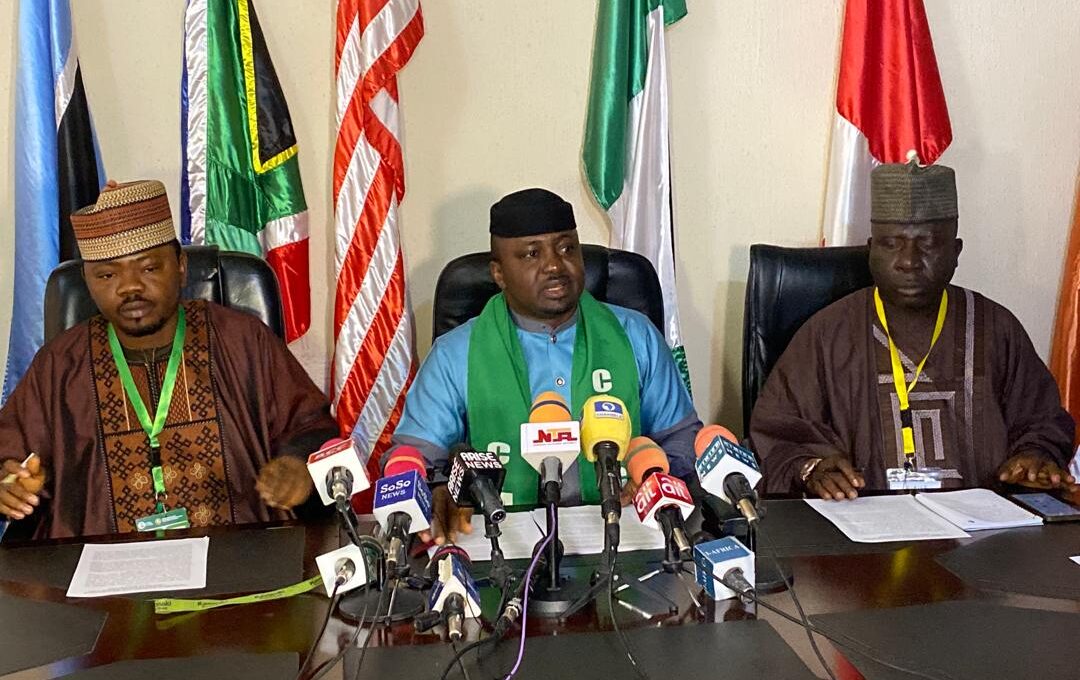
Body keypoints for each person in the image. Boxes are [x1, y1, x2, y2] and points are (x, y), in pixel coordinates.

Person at [0, 180, 338, 538]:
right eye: (107, 274)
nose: (129, 287)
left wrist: (297, 467)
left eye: (148, 268)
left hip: (237, 554)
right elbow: (11, 458)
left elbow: (312, 430)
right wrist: (10, 482)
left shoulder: (242, 340)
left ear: (180, 266)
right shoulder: (60, 364)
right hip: (101, 563)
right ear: (87, 280)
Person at [751, 161, 1078, 500]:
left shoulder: (995, 328)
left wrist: (1034, 456)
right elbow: (779, 434)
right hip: (861, 525)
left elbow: (1042, 422)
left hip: (982, 527)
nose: (908, 261)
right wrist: (812, 468)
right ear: (871, 249)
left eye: (928, 244)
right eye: (891, 243)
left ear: (956, 251)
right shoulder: (827, 334)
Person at [390, 188, 700, 542]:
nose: (554, 265)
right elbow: (415, 459)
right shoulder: (455, 353)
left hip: (624, 534)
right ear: (499, 273)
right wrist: (438, 492)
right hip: (499, 544)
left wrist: (652, 477)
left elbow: (681, 439)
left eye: (567, 249)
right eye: (531, 254)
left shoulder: (635, 335)